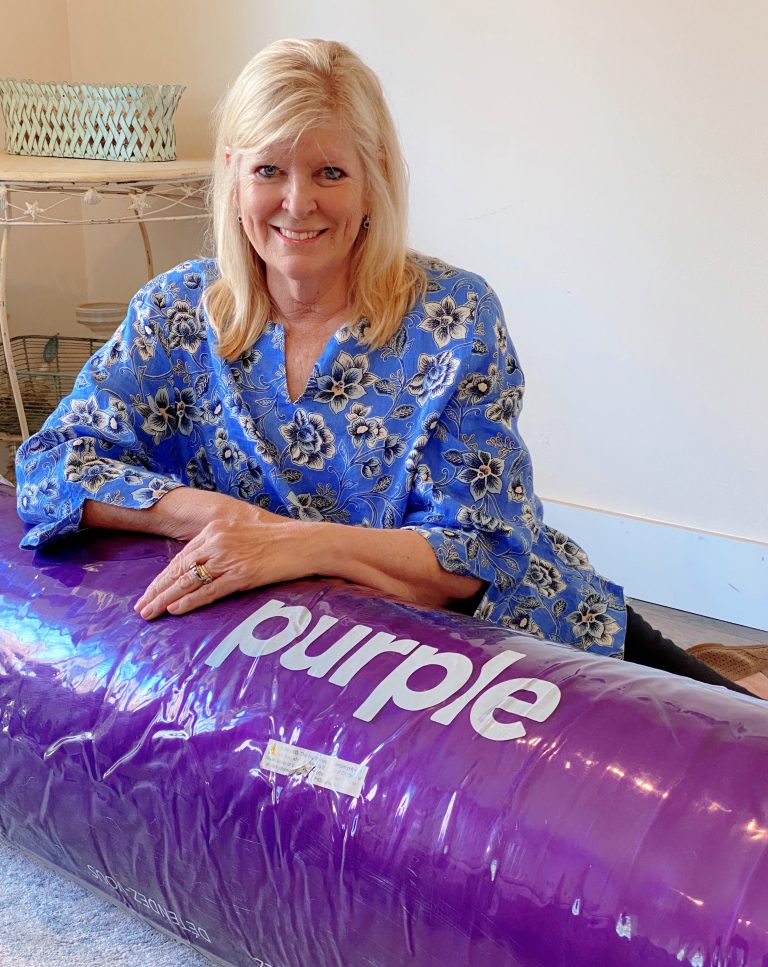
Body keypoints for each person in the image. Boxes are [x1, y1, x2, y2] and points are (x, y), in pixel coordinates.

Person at [14, 38, 749, 695]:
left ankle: (735, 672)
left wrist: (287, 545)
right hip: (313, 657)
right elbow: (51, 466)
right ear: (234, 176)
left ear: (374, 179)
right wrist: (223, 519)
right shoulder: (175, 311)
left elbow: (476, 552)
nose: (297, 202)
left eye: (330, 171)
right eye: (269, 169)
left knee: (735, 738)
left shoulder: (454, 314)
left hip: (516, 639)